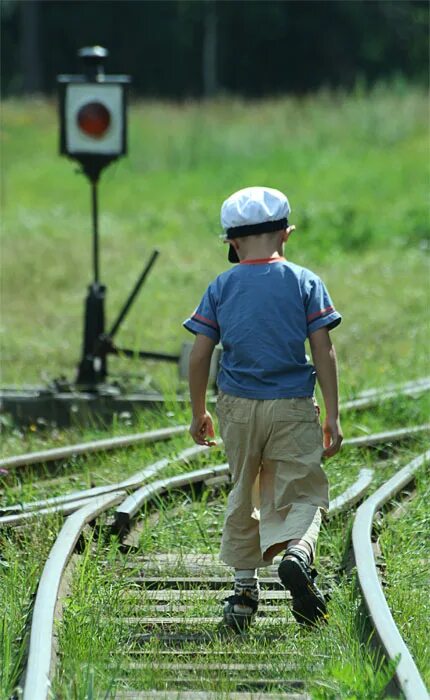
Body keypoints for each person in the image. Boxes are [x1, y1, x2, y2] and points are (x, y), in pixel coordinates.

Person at [183, 186, 343, 630]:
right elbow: (323, 349)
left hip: (236, 407)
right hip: (291, 405)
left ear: (232, 243)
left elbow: (200, 355)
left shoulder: (222, 285)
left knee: (244, 488)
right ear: (285, 235)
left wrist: (199, 410)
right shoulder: (304, 281)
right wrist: (332, 413)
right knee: (306, 491)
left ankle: (243, 593)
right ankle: (297, 554)